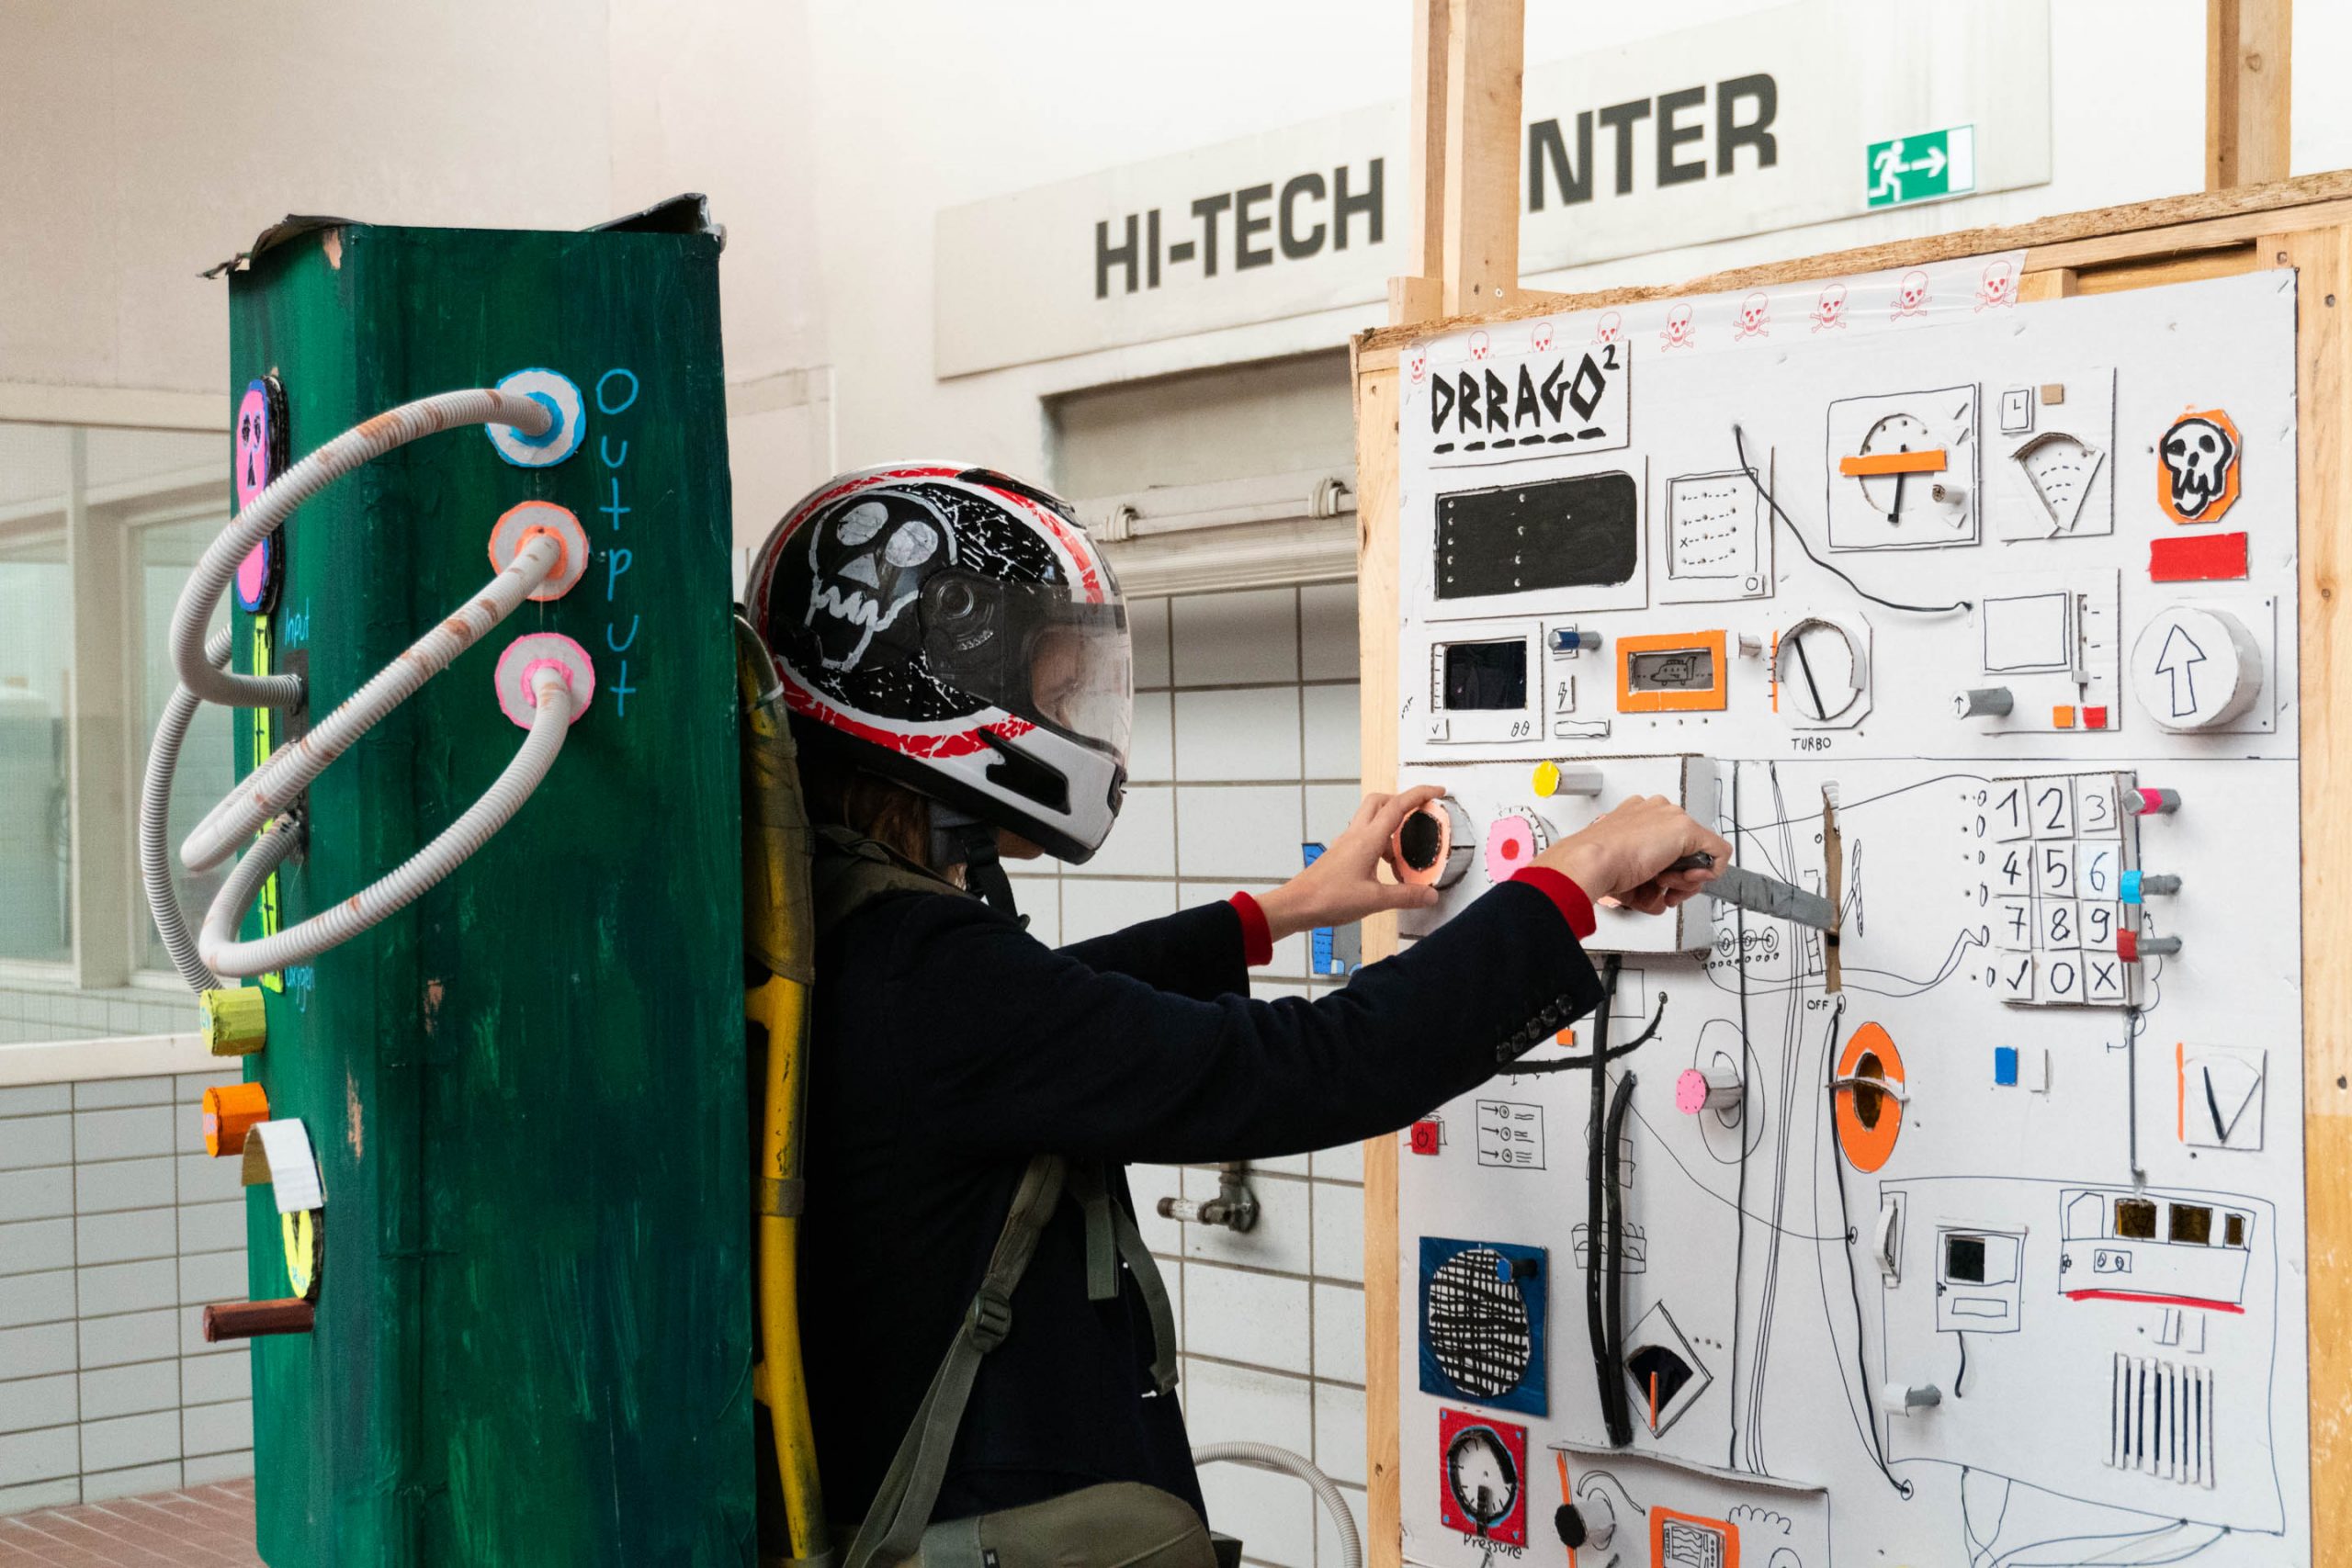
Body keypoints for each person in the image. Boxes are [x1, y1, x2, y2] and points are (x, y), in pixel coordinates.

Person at [745, 464, 1728, 1568]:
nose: (1073, 720)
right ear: (934, 699)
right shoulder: (927, 972)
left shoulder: (844, 928)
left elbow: (1051, 1012)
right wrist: (1571, 876)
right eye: (1056, 692)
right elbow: (1309, 1066)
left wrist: (1282, 912)